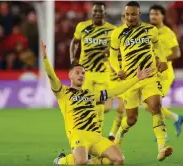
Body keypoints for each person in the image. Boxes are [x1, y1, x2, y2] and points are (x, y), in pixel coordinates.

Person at [40, 40, 152, 165]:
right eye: (78, 73)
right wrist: (45, 58)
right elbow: (51, 76)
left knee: (119, 159)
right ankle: (61, 160)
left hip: (96, 136)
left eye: (83, 73)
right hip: (79, 136)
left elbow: (115, 90)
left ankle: (90, 161)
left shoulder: (92, 94)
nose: (81, 75)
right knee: (81, 161)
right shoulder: (63, 92)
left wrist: (136, 78)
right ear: (70, 75)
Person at [109, 1, 172, 161]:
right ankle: (118, 137)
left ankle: (161, 148)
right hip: (131, 80)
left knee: (155, 107)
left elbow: (158, 48)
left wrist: (163, 59)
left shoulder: (150, 30)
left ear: (139, 14)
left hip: (150, 76)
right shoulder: (117, 33)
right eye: (127, 14)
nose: (129, 17)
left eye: (133, 14)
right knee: (131, 118)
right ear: (124, 15)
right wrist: (118, 70)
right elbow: (113, 57)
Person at [70, 2, 116, 134]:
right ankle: (86, 134)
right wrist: (73, 59)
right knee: (88, 106)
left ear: (104, 13)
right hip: (86, 73)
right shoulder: (83, 26)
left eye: (100, 12)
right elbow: (74, 42)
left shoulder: (112, 30)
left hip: (102, 73)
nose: (97, 14)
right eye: (95, 11)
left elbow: (118, 50)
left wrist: (110, 52)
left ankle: (97, 137)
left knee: (101, 106)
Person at [149, 5, 183, 140]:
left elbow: (177, 53)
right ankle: (176, 118)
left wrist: (161, 60)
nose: (153, 16)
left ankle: (162, 133)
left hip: (164, 75)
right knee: (149, 105)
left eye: (156, 14)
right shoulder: (148, 32)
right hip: (151, 74)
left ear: (162, 16)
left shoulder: (168, 33)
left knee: (153, 104)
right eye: (152, 14)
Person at [107, 13, 127, 142]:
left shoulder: (136, 34)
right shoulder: (115, 33)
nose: (127, 19)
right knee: (106, 108)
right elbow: (108, 53)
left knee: (120, 109)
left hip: (125, 77)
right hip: (111, 76)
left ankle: (112, 134)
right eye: (124, 17)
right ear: (122, 19)